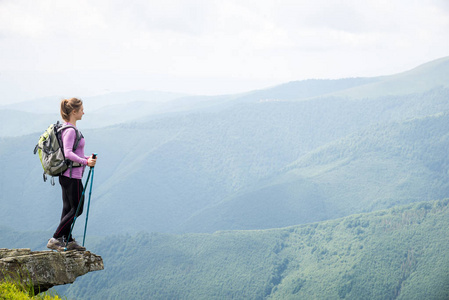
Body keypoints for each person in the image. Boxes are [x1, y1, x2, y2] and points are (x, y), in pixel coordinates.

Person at [47, 98, 97, 251]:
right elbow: (68, 153)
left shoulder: (67, 129)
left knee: (68, 207)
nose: (84, 112)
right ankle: (56, 238)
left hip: (68, 174)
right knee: (77, 209)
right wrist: (85, 162)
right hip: (71, 175)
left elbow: (73, 152)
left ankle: (66, 239)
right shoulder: (70, 131)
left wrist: (86, 158)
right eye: (81, 109)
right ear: (74, 112)